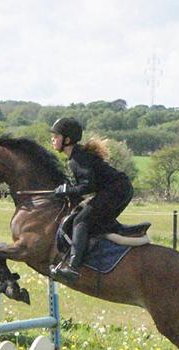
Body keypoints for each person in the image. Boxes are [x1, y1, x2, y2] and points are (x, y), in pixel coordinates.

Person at [48, 117, 134, 283]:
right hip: (120, 189)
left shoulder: (77, 159)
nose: (52, 139)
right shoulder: (77, 156)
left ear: (67, 140)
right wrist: (68, 190)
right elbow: (85, 185)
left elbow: (87, 186)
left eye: (56, 136)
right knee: (89, 217)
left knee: (81, 220)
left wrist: (66, 191)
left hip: (116, 190)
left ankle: (73, 268)